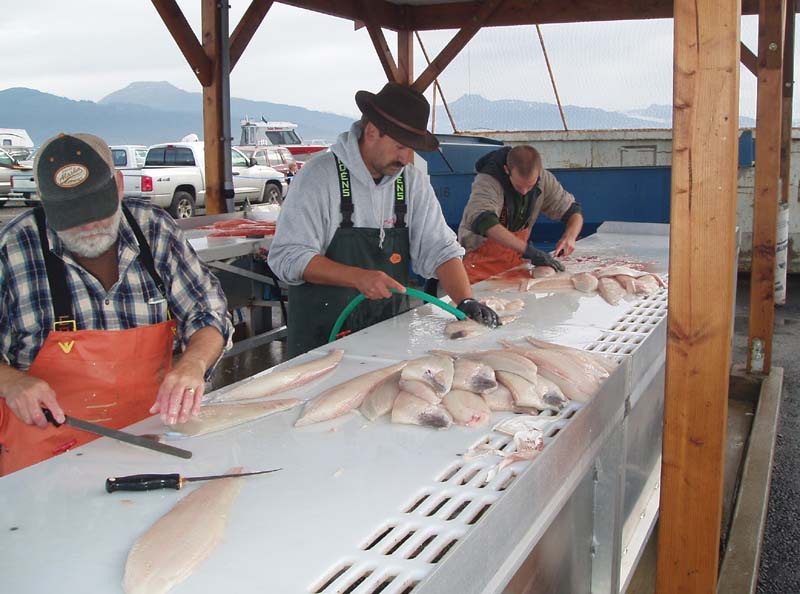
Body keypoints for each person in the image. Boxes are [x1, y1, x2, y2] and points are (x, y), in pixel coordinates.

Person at [0, 133, 233, 475]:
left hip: (153, 442)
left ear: (119, 186)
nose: (89, 224)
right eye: (71, 215)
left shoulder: (154, 230)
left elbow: (209, 314)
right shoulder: (13, 248)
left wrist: (192, 365)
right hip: (45, 463)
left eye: (96, 207)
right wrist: (12, 383)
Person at [268, 82, 499, 357]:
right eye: (400, 146)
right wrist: (357, 277)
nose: (405, 158)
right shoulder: (318, 177)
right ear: (372, 131)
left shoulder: (411, 183)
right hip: (321, 344)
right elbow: (288, 255)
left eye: (411, 148)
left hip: (388, 338)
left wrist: (465, 300)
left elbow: (441, 249)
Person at [458, 145, 584, 284]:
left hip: (513, 264)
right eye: (518, 186)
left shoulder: (544, 179)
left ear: (539, 173)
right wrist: (528, 250)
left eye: (530, 186)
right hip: (479, 265)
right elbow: (484, 220)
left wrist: (570, 237)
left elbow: (573, 211)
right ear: (507, 170)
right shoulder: (488, 181)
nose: (524, 192)